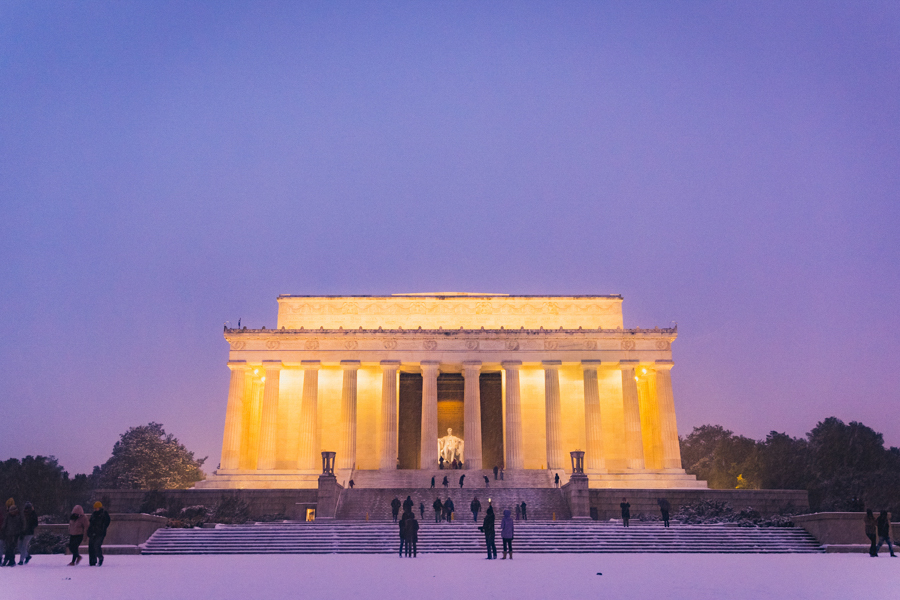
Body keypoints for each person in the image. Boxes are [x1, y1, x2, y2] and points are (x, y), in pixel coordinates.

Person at [88, 501, 111, 566]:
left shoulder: (104, 514)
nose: (95, 509)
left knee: (96, 545)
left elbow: (107, 522)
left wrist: (102, 529)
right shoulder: (93, 515)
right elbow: (91, 523)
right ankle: (92, 561)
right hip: (93, 532)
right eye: (95, 508)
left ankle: (100, 558)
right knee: (91, 546)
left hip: (100, 533)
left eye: (96, 508)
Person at [1, 502, 23, 566]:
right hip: (8, 534)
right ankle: (9, 560)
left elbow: (21, 526)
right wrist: (3, 532)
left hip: (15, 534)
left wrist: (20, 533)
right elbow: (4, 525)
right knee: (8, 548)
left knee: (11, 548)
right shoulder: (8, 516)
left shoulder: (18, 517)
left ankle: (10, 560)